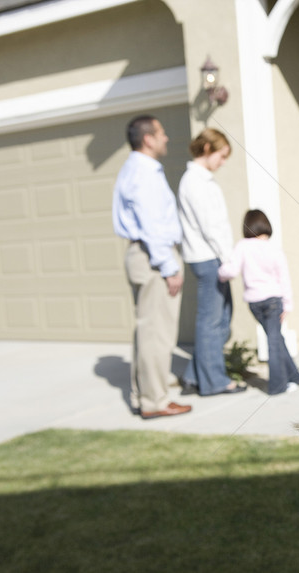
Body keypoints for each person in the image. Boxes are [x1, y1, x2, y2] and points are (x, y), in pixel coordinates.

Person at [112, 114, 191, 420]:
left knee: (148, 331)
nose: (166, 138)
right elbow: (152, 225)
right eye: (161, 133)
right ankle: (155, 401)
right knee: (157, 333)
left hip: (146, 255)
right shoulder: (143, 172)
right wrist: (169, 266)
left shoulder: (135, 169)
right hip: (153, 256)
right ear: (148, 138)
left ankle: (143, 396)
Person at [177, 128, 245, 396]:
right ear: (207, 149)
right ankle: (215, 382)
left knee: (221, 320)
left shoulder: (203, 180)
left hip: (213, 258)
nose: (223, 161)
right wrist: (229, 258)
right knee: (211, 322)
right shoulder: (194, 182)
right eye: (222, 155)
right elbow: (210, 226)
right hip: (209, 259)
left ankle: (193, 377)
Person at [218, 210, 299, 395]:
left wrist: (219, 272)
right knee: (274, 341)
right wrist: (288, 305)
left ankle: (295, 376)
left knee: (275, 339)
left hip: (254, 304)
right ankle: (278, 387)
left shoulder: (242, 246)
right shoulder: (274, 249)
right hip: (274, 301)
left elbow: (230, 271)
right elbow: (284, 279)